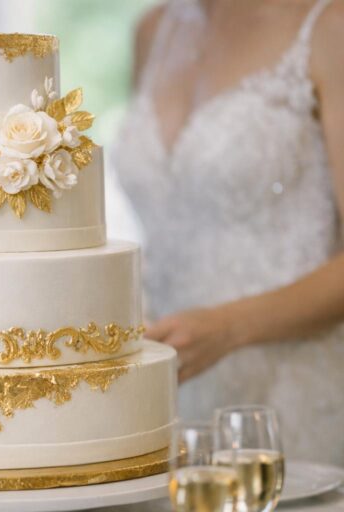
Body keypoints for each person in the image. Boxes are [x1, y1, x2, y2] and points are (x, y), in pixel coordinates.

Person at [113, 0, 344, 464]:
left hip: (292, 397)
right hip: (170, 401)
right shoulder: (152, 30)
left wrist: (227, 328)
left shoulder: (328, 25)